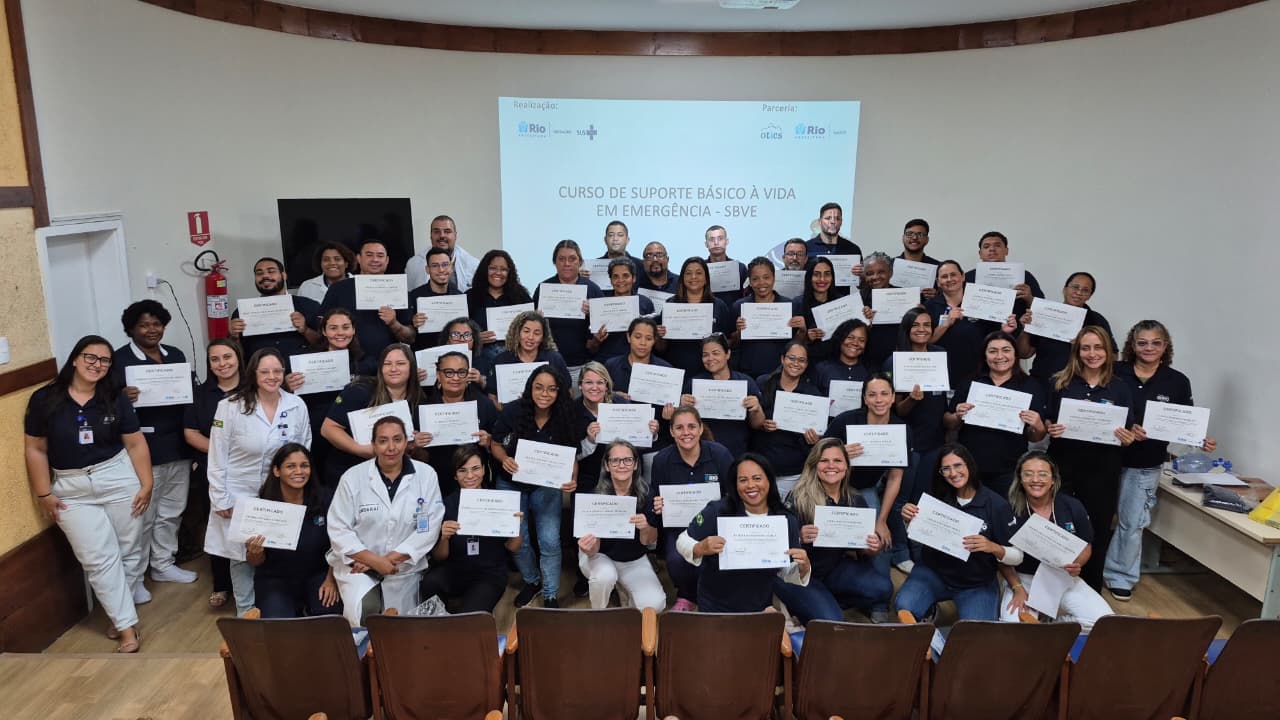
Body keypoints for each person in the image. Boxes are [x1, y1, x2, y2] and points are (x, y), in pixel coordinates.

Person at [24, 335, 152, 653]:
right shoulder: (45, 399)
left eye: (105, 360)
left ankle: (119, 613)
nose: (97, 365)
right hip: (71, 488)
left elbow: (135, 442)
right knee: (97, 558)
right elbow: (36, 449)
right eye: (90, 358)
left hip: (118, 477)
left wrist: (147, 483)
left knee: (129, 550)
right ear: (75, 359)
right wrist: (43, 494)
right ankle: (126, 627)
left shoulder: (114, 398)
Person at [1104, 320, 1216, 601]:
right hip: (1104, 457)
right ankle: (1086, 569)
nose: (1149, 348)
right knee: (1096, 516)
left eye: (1156, 342)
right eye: (1142, 342)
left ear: (1165, 346)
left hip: (1146, 463)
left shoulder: (1177, 381)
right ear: (1132, 345)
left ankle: (1120, 576)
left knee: (1132, 522)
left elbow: (1185, 422)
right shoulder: (1114, 373)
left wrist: (1199, 438)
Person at [206, 348, 312, 615]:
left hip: (280, 491)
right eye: (265, 371)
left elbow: (303, 448)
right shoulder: (230, 406)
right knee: (243, 556)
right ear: (253, 373)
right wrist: (220, 497)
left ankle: (282, 607)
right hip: (238, 492)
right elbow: (217, 455)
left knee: (278, 552)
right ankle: (245, 615)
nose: (272, 377)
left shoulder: (296, 405)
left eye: (277, 371)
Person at [327, 416, 445, 625]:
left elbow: (428, 528)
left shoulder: (426, 475)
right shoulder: (353, 477)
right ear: (373, 444)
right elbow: (339, 529)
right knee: (365, 613)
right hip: (358, 567)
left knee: (399, 632)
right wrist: (373, 561)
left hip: (403, 569)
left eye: (397, 439)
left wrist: (386, 561)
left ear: (407, 442)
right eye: (383, 441)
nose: (391, 447)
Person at [1045, 326, 1137, 590]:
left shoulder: (1120, 388)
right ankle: (1050, 588)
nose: (1092, 353)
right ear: (1077, 351)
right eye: (1086, 348)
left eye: (1098, 348)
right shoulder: (1060, 382)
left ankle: (1089, 589)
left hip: (1103, 469)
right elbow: (1048, 420)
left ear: (1108, 352)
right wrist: (1051, 427)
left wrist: (1127, 438)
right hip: (1063, 464)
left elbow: (1128, 429)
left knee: (1095, 528)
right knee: (1057, 524)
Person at [111, 299, 196, 585]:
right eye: (144, 324)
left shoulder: (175, 354)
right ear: (131, 328)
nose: (151, 330)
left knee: (172, 510)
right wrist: (122, 396)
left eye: (156, 324)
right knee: (143, 515)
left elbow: (188, 397)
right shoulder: (119, 360)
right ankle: (134, 579)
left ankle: (163, 564)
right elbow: (105, 404)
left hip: (178, 443)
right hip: (144, 446)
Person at [489, 365, 584, 608]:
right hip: (511, 483)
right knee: (518, 539)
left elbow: (572, 454)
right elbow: (495, 443)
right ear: (530, 388)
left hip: (546, 486)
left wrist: (572, 478)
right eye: (539, 387)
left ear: (559, 392)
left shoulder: (565, 414)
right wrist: (504, 459)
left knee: (550, 540)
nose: (544, 394)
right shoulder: (514, 411)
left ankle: (550, 594)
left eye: (552, 389)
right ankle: (532, 581)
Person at [895, 444, 1022, 621]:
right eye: (946, 469)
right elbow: (921, 534)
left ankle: (933, 612)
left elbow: (1017, 556)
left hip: (976, 583)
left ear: (969, 465)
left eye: (958, 465)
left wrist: (993, 547)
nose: (953, 473)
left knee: (976, 634)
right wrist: (909, 520)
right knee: (905, 606)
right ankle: (929, 610)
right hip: (933, 572)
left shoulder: (996, 504)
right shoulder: (938, 496)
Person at [774, 438, 893, 623]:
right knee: (832, 620)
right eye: (824, 460)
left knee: (882, 588)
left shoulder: (855, 499)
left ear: (846, 466)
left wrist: (873, 546)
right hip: (799, 573)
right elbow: (777, 543)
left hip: (833, 568)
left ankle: (819, 602)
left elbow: (863, 549)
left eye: (837, 460)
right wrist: (799, 536)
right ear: (815, 465)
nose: (831, 466)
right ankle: (810, 603)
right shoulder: (797, 497)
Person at [678, 453, 810, 613]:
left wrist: (803, 567)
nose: (750, 485)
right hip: (715, 605)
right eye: (743, 480)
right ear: (735, 484)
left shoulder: (785, 519)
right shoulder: (717, 510)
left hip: (759, 606)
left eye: (757, 478)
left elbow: (784, 570)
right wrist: (700, 547)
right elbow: (682, 541)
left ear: (769, 480)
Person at [1001, 451, 1113, 632]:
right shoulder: (1007, 509)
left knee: (1105, 623)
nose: (1035, 479)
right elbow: (1001, 556)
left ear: (1053, 479)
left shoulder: (1071, 505)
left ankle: (1053, 627)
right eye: (1028, 474)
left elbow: (1086, 546)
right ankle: (1041, 627)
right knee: (1013, 630)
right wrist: (1017, 587)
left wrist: (1077, 564)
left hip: (1061, 577)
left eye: (1043, 474)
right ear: (1020, 479)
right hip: (1024, 579)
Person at [824, 373, 907, 585]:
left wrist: (881, 521)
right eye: (872, 395)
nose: (878, 400)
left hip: (866, 488)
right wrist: (840, 452)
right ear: (865, 399)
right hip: (829, 488)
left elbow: (895, 478)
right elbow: (816, 456)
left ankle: (878, 600)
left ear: (893, 397)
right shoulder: (846, 420)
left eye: (884, 394)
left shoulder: (900, 430)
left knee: (879, 541)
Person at [649, 406, 734, 611]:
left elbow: (734, 493)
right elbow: (654, 493)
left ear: (700, 428)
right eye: (679, 427)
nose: (686, 432)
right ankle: (687, 595)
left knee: (719, 557)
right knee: (676, 559)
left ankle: (713, 596)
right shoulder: (662, 459)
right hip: (679, 526)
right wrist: (657, 504)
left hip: (717, 524)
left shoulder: (719, 454)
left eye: (691, 426)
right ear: (671, 432)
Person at [420, 444, 522, 613]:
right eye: (462, 470)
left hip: (489, 574)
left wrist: (516, 527)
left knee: (471, 617)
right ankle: (439, 624)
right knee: (430, 583)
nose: (470, 476)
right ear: (455, 475)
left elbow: (513, 547)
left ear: (484, 470)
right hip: (456, 570)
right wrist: (444, 537)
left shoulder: (500, 502)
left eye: (475, 469)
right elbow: (439, 557)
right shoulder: (446, 505)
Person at [946, 331, 1048, 499]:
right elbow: (949, 423)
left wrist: (1037, 425)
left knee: (1003, 517)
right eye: (993, 351)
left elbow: (1035, 437)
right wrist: (957, 415)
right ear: (985, 356)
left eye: (1006, 350)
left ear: (1016, 354)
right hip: (968, 466)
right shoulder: (971, 382)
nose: (999, 356)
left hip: (1009, 469)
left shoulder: (1030, 386)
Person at [245, 444, 342, 619]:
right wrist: (254, 552)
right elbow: (255, 561)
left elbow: (339, 543)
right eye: (291, 466)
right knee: (280, 627)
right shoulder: (263, 507)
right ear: (276, 471)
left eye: (304, 465)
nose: (299, 471)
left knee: (329, 621)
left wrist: (332, 578)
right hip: (275, 579)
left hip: (319, 574)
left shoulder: (326, 498)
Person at [183, 339, 242, 610]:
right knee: (219, 523)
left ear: (238, 358)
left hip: (249, 468)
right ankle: (221, 584)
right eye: (215, 359)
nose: (222, 364)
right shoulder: (200, 394)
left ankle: (255, 580)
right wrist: (219, 453)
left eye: (227, 357)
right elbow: (190, 433)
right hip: (215, 468)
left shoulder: (253, 389)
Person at [321, 343, 428, 487]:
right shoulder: (360, 390)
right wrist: (360, 450)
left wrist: (413, 444)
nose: (394, 369)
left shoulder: (418, 399)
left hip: (389, 476)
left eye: (400, 363)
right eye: (387, 364)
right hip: (348, 470)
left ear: (412, 368)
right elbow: (328, 429)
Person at [577, 440, 665, 611]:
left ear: (635, 464)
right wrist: (588, 547)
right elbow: (592, 550)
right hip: (599, 555)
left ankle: (627, 607)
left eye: (627, 460)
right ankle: (597, 613)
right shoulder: (593, 496)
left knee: (655, 604)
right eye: (615, 460)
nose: (622, 465)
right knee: (604, 576)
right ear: (607, 466)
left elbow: (649, 540)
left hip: (633, 559)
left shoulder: (647, 495)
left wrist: (645, 526)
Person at [927, 260, 1018, 386]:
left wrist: (1004, 331)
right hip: (940, 376)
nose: (949, 279)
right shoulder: (930, 306)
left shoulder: (981, 302)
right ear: (938, 282)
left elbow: (991, 340)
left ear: (963, 276)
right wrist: (945, 324)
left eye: (953, 274)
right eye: (944, 276)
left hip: (978, 375)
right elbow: (925, 342)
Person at [319, 238, 415, 358]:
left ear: (387, 260)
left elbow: (410, 338)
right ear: (358, 258)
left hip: (387, 365)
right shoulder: (338, 289)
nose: (375, 259)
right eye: (369, 255)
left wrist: (394, 323)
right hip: (348, 363)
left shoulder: (399, 290)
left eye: (380, 256)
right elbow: (321, 328)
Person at [418, 349, 497, 497]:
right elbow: (417, 455)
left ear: (468, 376)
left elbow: (501, 443)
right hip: (437, 481)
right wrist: (417, 444)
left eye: (461, 372)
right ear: (438, 376)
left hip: (475, 482)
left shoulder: (484, 404)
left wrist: (489, 441)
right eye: (449, 372)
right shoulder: (425, 409)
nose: (455, 378)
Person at [1017, 271, 1116, 386]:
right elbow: (1024, 354)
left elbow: (1113, 356)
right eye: (1075, 287)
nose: (1078, 292)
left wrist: (1084, 347)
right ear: (1065, 289)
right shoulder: (1044, 313)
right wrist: (1026, 330)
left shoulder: (1097, 320)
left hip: (1078, 386)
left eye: (1085, 290)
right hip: (1042, 382)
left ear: (1090, 296)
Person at [679, 333, 765, 459]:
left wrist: (756, 409)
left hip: (737, 452)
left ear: (728, 354)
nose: (710, 358)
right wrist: (682, 406)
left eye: (716, 353)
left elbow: (758, 424)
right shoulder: (693, 384)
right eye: (705, 355)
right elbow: (681, 423)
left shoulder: (746, 382)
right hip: (701, 453)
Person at [229, 257, 322, 366]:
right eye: (259, 273)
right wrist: (234, 337)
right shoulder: (241, 312)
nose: (265, 276)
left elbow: (323, 345)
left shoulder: (308, 306)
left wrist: (305, 330)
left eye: (271, 271)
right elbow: (236, 357)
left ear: (284, 275)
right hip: (260, 377)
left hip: (301, 375)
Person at [604, 316, 676, 452]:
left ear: (654, 341)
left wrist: (670, 415)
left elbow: (674, 412)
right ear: (628, 337)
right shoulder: (611, 366)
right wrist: (612, 395)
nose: (643, 343)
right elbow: (598, 399)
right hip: (617, 443)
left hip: (655, 444)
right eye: (637, 337)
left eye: (648, 338)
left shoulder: (667, 370)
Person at [754, 340, 823, 478]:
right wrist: (763, 424)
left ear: (807, 364)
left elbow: (820, 434)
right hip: (763, 465)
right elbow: (752, 422)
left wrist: (815, 438)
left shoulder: (813, 394)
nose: (796, 363)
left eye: (801, 360)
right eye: (791, 358)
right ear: (782, 359)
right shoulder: (763, 383)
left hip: (796, 470)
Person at [532, 239, 604, 369]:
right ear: (554, 262)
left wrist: (594, 314)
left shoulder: (593, 289)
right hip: (549, 362)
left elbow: (602, 330)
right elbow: (531, 325)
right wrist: (536, 319)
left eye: (572, 259)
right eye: (561, 259)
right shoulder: (543, 288)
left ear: (580, 262)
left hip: (583, 363)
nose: (566, 264)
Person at [731, 256, 805, 379]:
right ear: (749, 280)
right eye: (755, 279)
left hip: (782, 372)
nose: (761, 283)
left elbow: (797, 343)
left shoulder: (790, 306)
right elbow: (731, 344)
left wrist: (802, 330)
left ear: (774, 278)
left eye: (766, 277)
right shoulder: (739, 306)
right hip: (748, 373)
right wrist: (739, 333)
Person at [658, 257, 732, 374]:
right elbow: (661, 347)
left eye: (699, 273)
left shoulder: (719, 305)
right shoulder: (671, 304)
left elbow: (728, 340)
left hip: (710, 370)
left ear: (706, 278)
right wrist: (659, 336)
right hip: (676, 369)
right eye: (688, 273)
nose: (693, 277)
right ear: (682, 278)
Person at [484, 311, 571, 409]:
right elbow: (493, 397)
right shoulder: (501, 360)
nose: (530, 337)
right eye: (526, 331)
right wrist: (508, 415)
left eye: (537, 333)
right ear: (518, 333)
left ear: (543, 337)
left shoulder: (554, 358)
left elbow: (568, 393)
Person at [465, 249, 534, 367]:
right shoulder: (470, 296)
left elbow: (532, 326)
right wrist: (475, 338)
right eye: (493, 268)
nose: (498, 273)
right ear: (484, 270)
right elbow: (458, 332)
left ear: (509, 272)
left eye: (503, 269)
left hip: (514, 359)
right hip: (480, 360)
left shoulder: (521, 296)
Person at [588, 257, 655, 362]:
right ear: (610, 280)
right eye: (615, 276)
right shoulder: (600, 305)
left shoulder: (645, 303)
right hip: (605, 363)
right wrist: (596, 340)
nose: (620, 280)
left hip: (637, 363)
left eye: (625, 276)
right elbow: (591, 348)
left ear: (634, 278)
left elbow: (652, 340)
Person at [963, 231, 1045, 311]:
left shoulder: (1024, 276)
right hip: (976, 324)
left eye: (997, 245)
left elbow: (1043, 310)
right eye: (986, 246)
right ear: (980, 254)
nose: (992, 249)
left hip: (1016, 323)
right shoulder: (967, 277)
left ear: (1006, 251)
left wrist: (1029, 298)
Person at [858, 251, 911, 369]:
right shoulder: (858, 300)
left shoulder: (905, 296)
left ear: (890, 273)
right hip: (868, 362)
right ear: (864, 276)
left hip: (899, 359)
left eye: (881, 272)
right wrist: (865, 323)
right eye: (869, 273)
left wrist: (917, 314)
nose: (875, 277)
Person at [793, 256, 848, 363]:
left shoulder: (842, 302)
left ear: (832, 277)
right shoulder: (798, 303)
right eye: (816, 274)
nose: (822, 279)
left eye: (827, 274)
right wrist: (807, 337)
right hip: (808, 362)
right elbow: (792, 344)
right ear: (809, 277)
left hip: (838, 362)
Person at [404, 215, 480, 292]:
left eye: (447, 231)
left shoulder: (473, 264)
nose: (442, 235)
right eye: (436, 232)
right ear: (431, 236)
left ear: (455, 235)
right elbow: (408, 297)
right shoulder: (413, 264)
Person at [407, 246, 463, 347]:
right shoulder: (414, 297)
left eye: (445, 264)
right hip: (424, 354)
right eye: (435, 265)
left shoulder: (460, 296)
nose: (441, 270)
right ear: (427, 269)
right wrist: (413, 324)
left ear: (451, 267)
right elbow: (407, 336)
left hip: (453, 354)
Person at [811, 317, 870, 395]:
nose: (855, 343)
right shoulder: (822, 369)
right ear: (840, 339)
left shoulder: (870, 372)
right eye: (850, 337)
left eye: (861, 340)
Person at [703, 225, 748, 306]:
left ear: (727, 241)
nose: (716, 243)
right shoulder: (700, 268)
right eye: (711, 239)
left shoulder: (740, 268)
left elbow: (746, 296)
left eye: (720, 238)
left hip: (734, 316)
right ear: (706, 244)